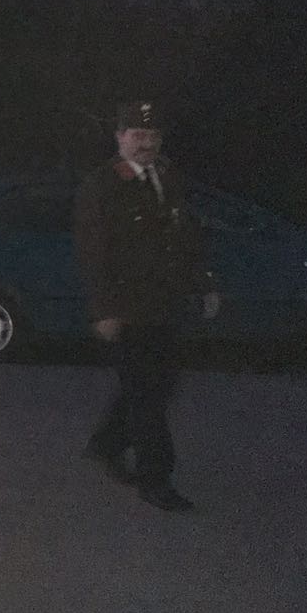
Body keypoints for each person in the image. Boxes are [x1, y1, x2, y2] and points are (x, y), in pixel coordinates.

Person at [75, 101, 218, 512]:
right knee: (147, 398)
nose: (146, 143)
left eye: (153, 136)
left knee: (160, 385)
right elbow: (93, 252)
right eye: (137, 135)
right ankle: (156, 479)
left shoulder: (168, 176)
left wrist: (205, 283)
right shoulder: (101, 185)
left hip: (165, 303)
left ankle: (106, 444)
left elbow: (185, 237)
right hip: (127, 307)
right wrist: (103, 310)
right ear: (120, 138)